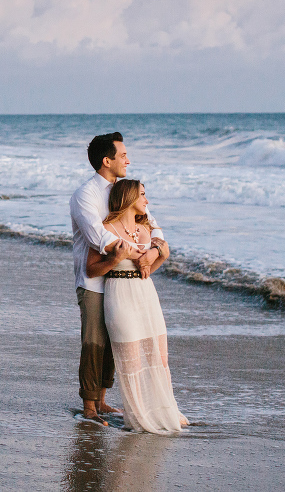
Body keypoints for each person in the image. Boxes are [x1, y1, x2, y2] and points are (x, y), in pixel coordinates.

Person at [69, 133, 158, 425]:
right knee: (94, 341)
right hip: (94, 279)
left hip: (123, 282)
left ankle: (103, 399)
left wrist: (158, 247)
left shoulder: (124, 191)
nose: (128, 161)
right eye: (123, 156)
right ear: (107, 161)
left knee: (114, 340)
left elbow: (150, 222)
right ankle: (89, 405)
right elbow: (102, 238)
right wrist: (141, 253)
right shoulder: (86, 195)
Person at [87, 179, 187, 433]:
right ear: (130, 198)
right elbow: (91, 270)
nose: (147, 201)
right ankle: (138, 416)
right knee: (130, 360)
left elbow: (146, 272)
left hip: (146, 296)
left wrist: (160, 257)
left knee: (158, 357)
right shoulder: (106, 230)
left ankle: (163, 410)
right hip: (119, 295)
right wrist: (116, 258)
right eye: (143, 195)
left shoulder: (145, 231)